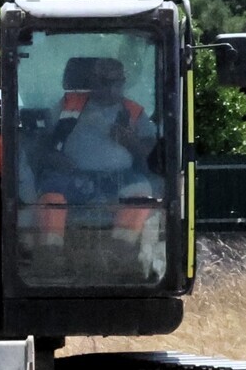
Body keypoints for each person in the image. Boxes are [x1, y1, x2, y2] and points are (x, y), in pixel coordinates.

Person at [28, 55, 160, 254]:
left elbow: (151, 152)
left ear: (123, 83)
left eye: (117, 82)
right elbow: (41, 141)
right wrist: (53, 157)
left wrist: (130, 142)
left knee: (141, 196)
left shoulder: (133, 111)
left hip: (120, 179)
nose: (110, 88)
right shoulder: (68, 104)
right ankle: (51, 255)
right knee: (51, 197)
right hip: (71, 177)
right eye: (104, 82)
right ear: (92, 80)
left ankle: (120, 253)